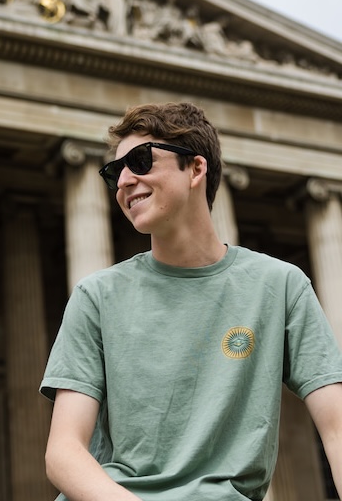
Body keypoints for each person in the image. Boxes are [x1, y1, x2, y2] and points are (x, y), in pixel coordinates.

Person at [40, 101, 342, 500]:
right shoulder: (96, 296)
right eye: (115, 171)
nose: (125, 181)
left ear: (196, 169)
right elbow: (63, 452)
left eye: (141, 160)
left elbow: (336, 425)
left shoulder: (279, 285)